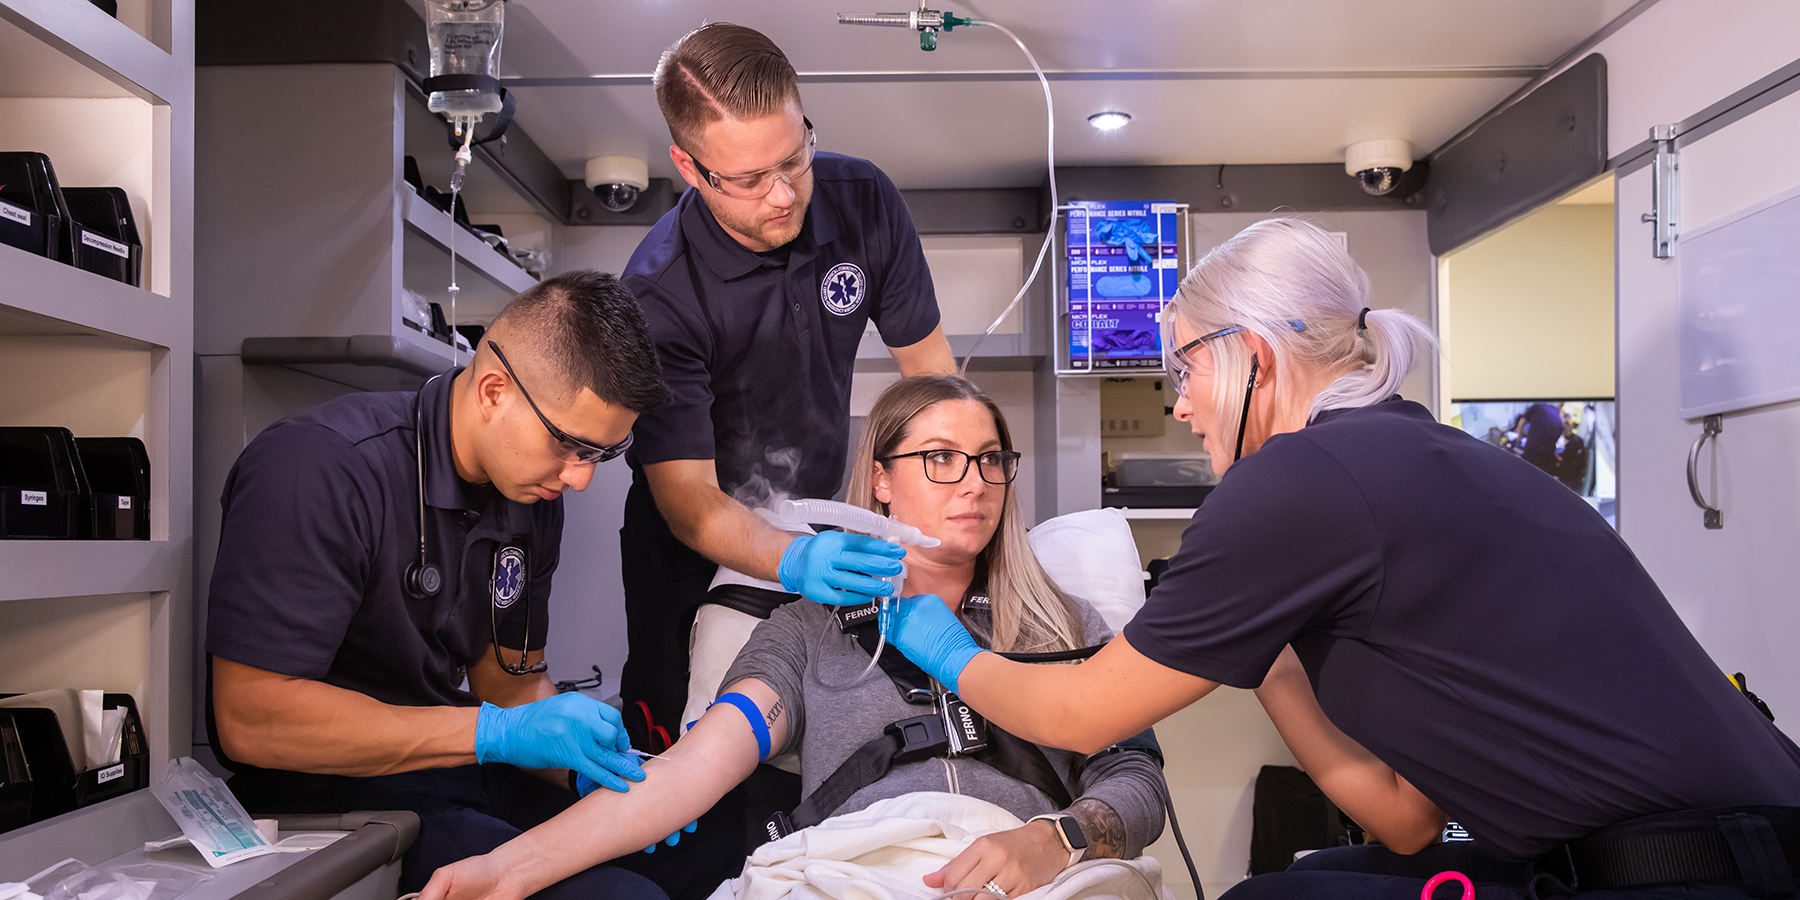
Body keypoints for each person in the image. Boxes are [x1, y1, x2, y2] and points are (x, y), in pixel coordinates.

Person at [885, 219, 1800, 899]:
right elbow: (1405, 819)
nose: (1180, 406)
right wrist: (1265, 654)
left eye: (1183, 372)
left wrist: (939, 644)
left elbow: (1082, 716)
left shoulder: (1299, 481)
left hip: (1693, 871)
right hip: (1745, 838)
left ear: (1250, 356)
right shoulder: (1417, 452)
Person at [415, 376, 1168, 900]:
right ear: (880, 480)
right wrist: (507, 871)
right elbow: (689, 773)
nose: (974, 482)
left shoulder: (1065, 626)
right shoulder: (806, 633)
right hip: (863, 870)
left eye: (991, 459)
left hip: (1038, 872)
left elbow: (1137, 780)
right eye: (940, 458)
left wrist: (1057, 839)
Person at [206, 272, 681, 899]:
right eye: (569, 445)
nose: (580, 479)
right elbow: (251, 720)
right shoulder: (318, 467)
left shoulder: (531, 498)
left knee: (692, 853)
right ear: (493, 391)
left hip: (456, 770)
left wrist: (587, 767)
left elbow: (507, 685)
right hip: (331, 796)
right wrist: (494, 734)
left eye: (601, 454)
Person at [617, 21, 956, 754]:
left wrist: (952, 491)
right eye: (748, 179)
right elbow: (690, 501)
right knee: (685, 748)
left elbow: (934, 383)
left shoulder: (862, 200)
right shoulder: (657, 294)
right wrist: (792, 561)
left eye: (794, 157)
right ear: (689, 166)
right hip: (688, 544)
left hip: (818, 515)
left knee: (829, 731)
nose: (783, 194)